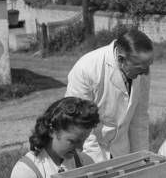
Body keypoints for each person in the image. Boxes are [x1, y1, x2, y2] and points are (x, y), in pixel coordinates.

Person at [66, 27, 154, 163]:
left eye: (148, 66)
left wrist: (142, 159)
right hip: (91, 153)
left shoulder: (141, 69)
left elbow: (139, 119)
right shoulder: (86, 69)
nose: (147, 73)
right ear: (121, 59)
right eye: (141, 68)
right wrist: (99, 168)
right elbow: (80, 124)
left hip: (122, 151)